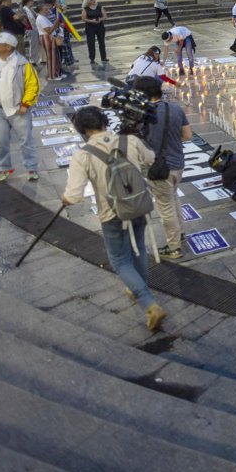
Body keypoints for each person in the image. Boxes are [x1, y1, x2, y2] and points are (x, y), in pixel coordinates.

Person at [62, 106, 165, 331]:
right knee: (138, 248)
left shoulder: (83, 155)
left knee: (120, 260)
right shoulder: (130, 140)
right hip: (139, 205)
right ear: (104, 121)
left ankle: (148, 302)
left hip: (112, 213)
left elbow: (74, 196)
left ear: (82, 129)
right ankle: (137, 286)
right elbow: (150, 158)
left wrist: (65, 198)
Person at [133, 77, 192, 260]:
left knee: (165, 207)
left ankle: (173, 247)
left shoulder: (142, 114)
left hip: (158, 168)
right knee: (174, 198)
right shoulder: (174, 108)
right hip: (178, 164)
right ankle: (180, 234)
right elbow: (187, 136)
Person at [0, 32, 40, 182]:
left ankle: (31, 168)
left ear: (8, 47)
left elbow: (33, 86)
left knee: (26, 141)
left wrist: (25, 104)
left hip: (17, 109)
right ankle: (4, 168)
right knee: (0, 141)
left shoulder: (22, 63)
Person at [35, 1, 63, 80]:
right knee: (51, 57)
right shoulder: (41, 18)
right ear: (40, 10)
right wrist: (56, 23)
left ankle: (57, 73)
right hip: (46, 38)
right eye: (46, 9)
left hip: (50, 37)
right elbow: (49, 31)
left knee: (55, 56)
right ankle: (52, 76)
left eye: (48, 9)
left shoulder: (44, 17)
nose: (48, 11)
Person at [80, 0, 108, 68]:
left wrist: (100, 19)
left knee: (102, 42)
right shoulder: (85, 8)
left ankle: (104, 57)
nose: (93, 0)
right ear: (88, 1)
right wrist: (91, 21)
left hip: (100, 26)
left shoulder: (99, 7)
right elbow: (83, 18)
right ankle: (92, 58)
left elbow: (105, 16)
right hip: (90, 27)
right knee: (91, 43)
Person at [21, 0, 41, 66]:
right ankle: (32, 60)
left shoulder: (31, 9)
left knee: (35, 45)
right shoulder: (24, 9)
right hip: (29, 29)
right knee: (33, 45)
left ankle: (35, 59)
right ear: (27, 2)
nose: (32, 2)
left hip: (34, 28)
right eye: (31, 1)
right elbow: (23, 19)